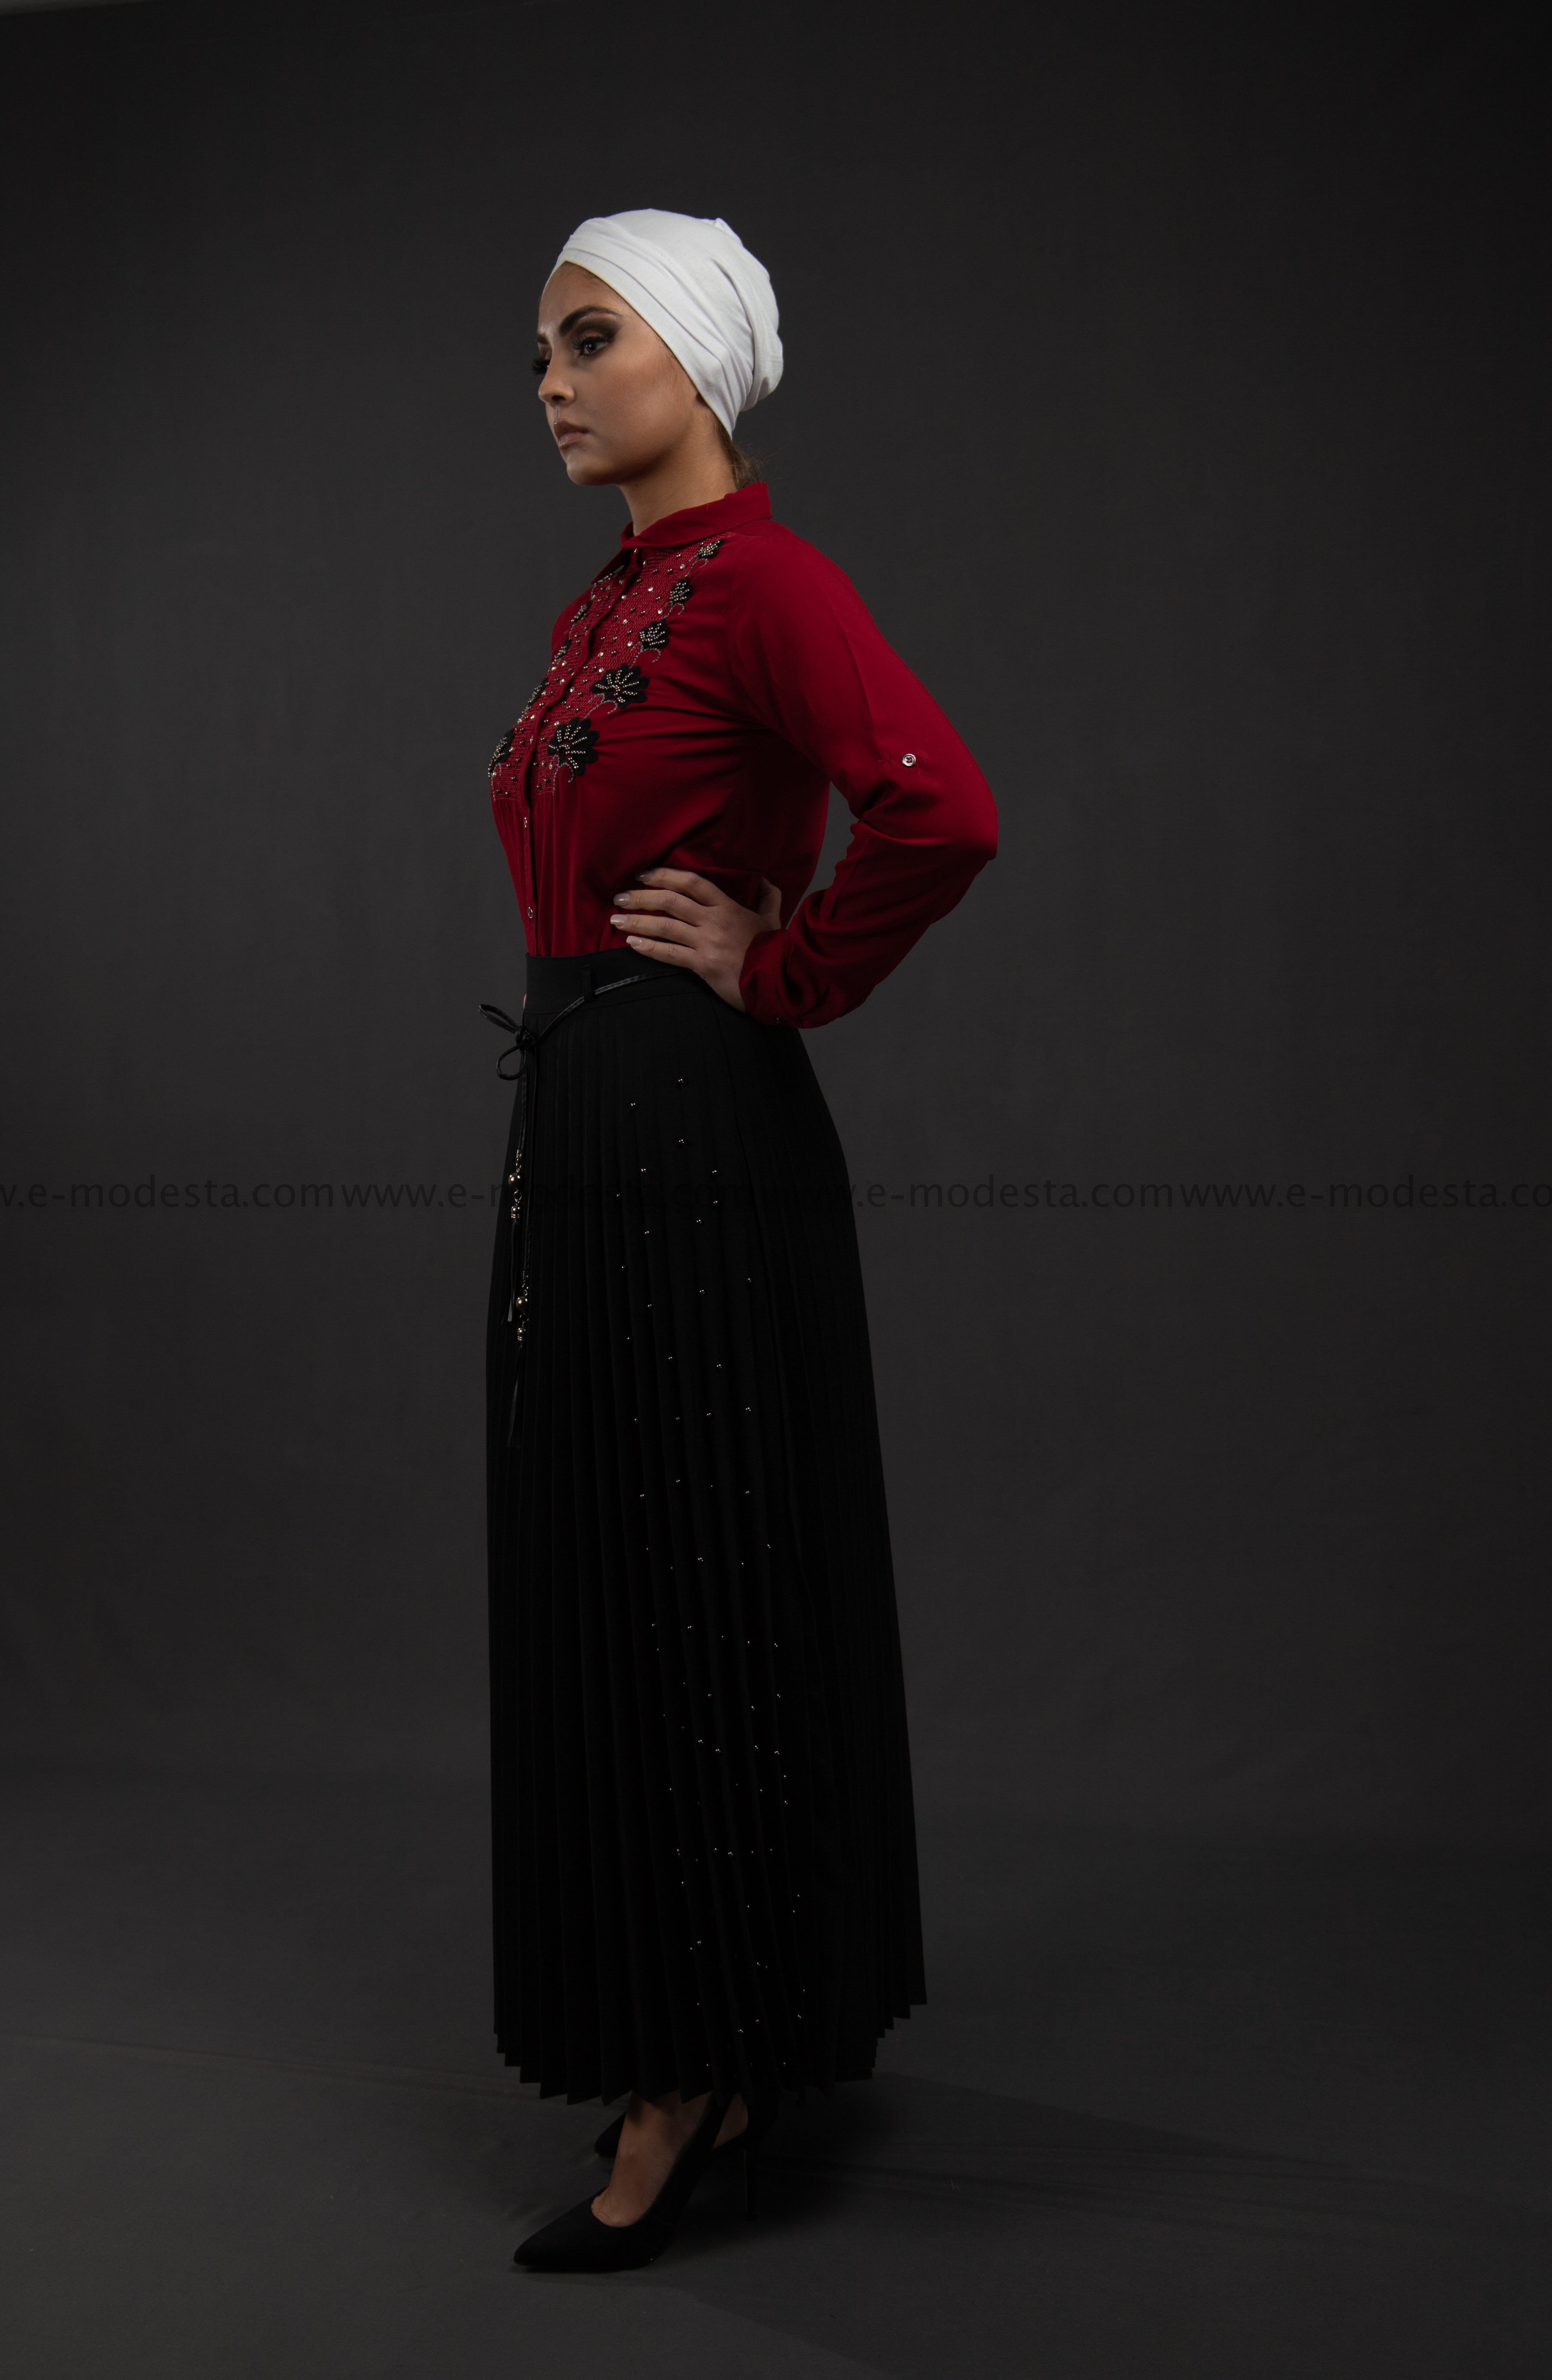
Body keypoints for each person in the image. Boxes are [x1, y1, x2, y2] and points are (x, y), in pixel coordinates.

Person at [485, 210, 998, 2273]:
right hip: (588, 1117)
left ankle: (690, 2070)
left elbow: (940, 806)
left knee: (694, 1566)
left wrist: (786, 969)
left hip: (694, 1127)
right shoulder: (615, 599)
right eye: (540, 348)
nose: (548, 379)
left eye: (586, 337)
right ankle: (713, 2025)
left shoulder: (767, 584)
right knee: (624, 1561)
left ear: (691, 359)